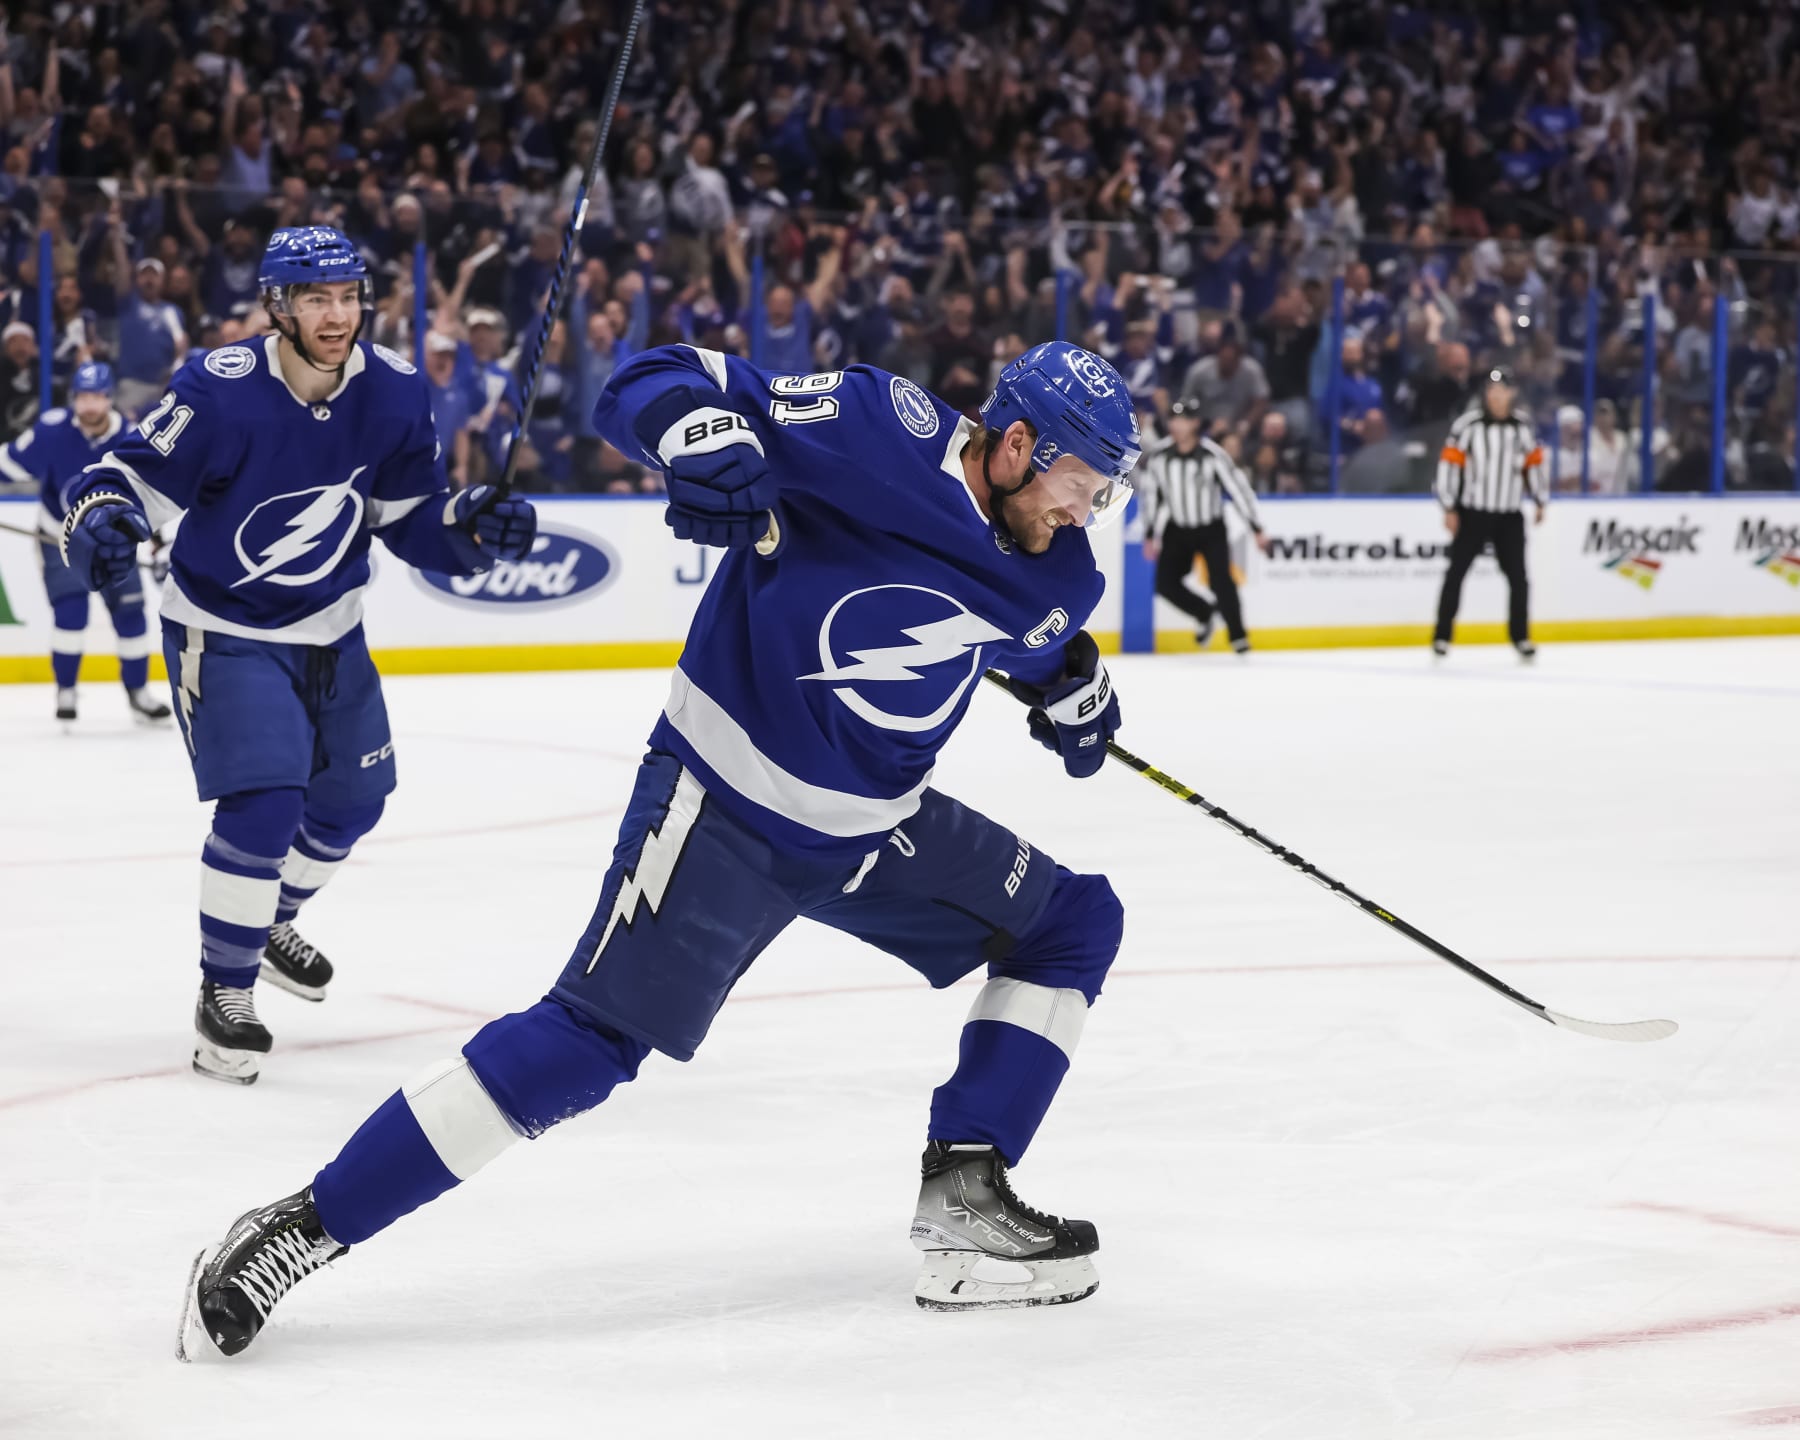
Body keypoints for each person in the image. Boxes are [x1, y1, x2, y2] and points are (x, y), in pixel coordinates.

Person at [176, 340, 1142, 1358]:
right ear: (1018, 445)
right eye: (1080, 485)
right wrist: (697, 430)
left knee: (1072, 923)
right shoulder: (876, 428)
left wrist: (1067, 684)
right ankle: (300, 1227)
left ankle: (967, 1193)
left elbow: (1020, 637)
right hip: (724, 813)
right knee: (585, 1043)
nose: (1084, 513)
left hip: (873, 832)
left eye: (1102, 494)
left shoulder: (1061, 569)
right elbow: (649, 375)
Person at [59, 226, 538, 1084]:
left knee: (354, 802)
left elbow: (410, 524)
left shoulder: (393, 389)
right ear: (277, 305)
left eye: (348, 295)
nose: (335, 313)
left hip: (334, 627)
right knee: (265, 803)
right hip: (227, 628)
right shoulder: (221, 388)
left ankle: (266, 918)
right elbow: (123, 475)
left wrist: (471, 531)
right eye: (315, 298)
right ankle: (225, 995)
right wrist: (95, 515)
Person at [0, 361, 171, 723]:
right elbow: (8, 464)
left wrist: (158, 542)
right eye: (83, 397)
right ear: (74, 398)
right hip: (57, 536)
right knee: (71, 613)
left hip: (114, 541)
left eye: (97, 397)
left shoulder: (131, 436)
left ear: (109, 399)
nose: (89, 405)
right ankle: (65, 690)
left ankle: (138, 693)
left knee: (130, 615)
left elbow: (152, 492)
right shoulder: (50, 432)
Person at [1432, 366, 1546, 661]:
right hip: (1473, 512)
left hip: (1509, 513)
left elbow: (1532, 465)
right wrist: (1449, 506)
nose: (1496, 396)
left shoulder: (1522, 428)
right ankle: (1442, 636)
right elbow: (1449, 467)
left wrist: (1540, 499)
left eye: (1502, 390)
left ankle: (1520, 636)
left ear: (1511, 394)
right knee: (1456, 573)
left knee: (1519, 578)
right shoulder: (1467, 426)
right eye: (1491, 390)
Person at [1140, 397, 1271, 653]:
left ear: (1196, 423)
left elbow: (1238, 490)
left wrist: (1257, 529)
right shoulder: (1160, 457)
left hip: (1210, 527)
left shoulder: (1212, 455)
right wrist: (1149, 533)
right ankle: (1204, 612)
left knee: (1222, 581)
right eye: (1174, 419)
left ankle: (1238, 636)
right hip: (1177, 527)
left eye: (1184, 420)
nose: (1177, 425)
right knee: (1165, 584)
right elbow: (1152, 496)